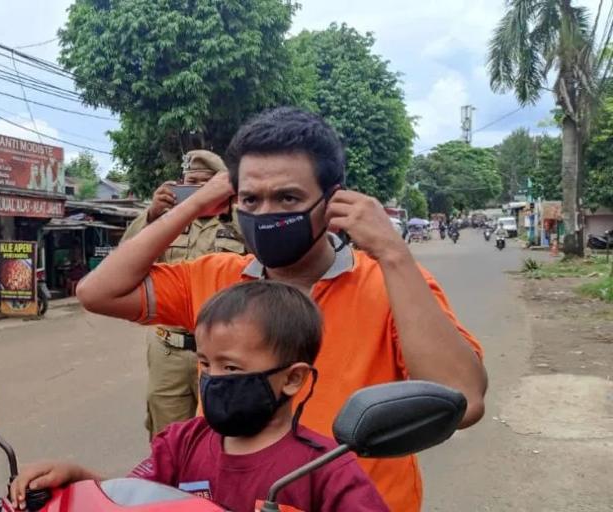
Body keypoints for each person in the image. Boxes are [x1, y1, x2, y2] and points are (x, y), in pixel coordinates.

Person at [76, 107, 487, 512]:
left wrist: (393, 252)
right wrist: (191, 206)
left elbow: (464, 399)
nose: (266, 214)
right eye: (251, 199)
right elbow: (97, 292)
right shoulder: (215, 277)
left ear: (334, 200)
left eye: (287, 197)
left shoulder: (389, 282)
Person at [10, 281, 388, 512]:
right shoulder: (181, 443)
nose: (213, 379)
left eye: (231, 368)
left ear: (292, 379)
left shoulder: (326, 470)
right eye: (206, 364)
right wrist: (80, 477)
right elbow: (135, 499)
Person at [120, 149, 246, 439]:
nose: (193, 191)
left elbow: (269, 256)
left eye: (203, 184)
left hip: (227, 347)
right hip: (169, 348)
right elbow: (123, 262)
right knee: (167, 434)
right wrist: (152, 214)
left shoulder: (236, 219)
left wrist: (231, 204)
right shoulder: (166, 222)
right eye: (188, 183)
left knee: (227, 432)